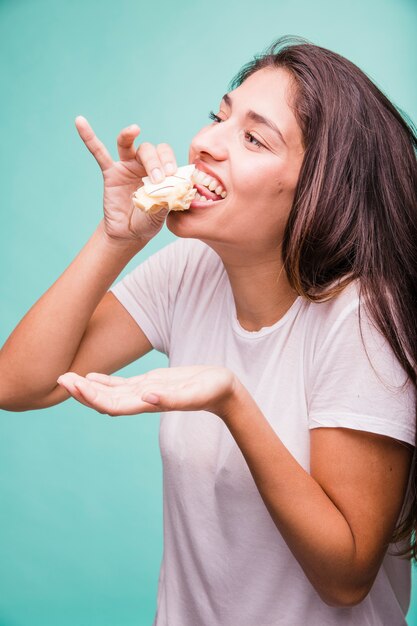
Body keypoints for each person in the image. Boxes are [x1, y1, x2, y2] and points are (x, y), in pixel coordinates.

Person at [0, 35, 416, 625]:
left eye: (253, 138)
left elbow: (345, 577)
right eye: (219, 117)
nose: (204, 143)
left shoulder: (364, 316)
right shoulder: (191, 270)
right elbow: (17, 385)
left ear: (320, 190)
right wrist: (115, 240)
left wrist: (232, 402)